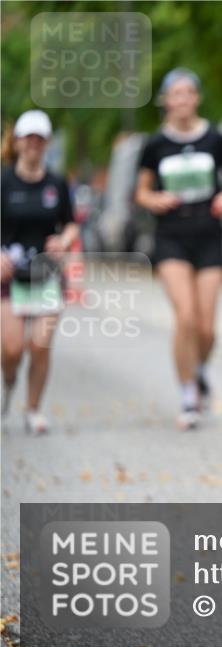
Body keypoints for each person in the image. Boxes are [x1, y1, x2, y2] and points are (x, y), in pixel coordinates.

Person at [135, 68, 222, 430]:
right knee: (184, 317)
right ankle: (187, 396)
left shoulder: (215, 139)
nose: (181, 100)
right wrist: (155, 199)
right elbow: (141, 192)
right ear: (166, 101)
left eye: (187, 93)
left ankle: (198, 369)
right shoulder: (155, 145)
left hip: (209, 235)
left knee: (206, 328)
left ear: (196, 98)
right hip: (171, 237)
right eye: (174, 94)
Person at [1, 110, 79, 435]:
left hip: (45, 275)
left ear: (46, 144)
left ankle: (33, 409)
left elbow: (72, 223)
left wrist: (63, 240)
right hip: (8, 277)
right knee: (13, 348)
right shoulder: (3, 181)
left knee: (40, 345)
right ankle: (9, 380)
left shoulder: (56, 183)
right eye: (28, 138)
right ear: (18, 142)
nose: (34, 145)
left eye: (40, 139)